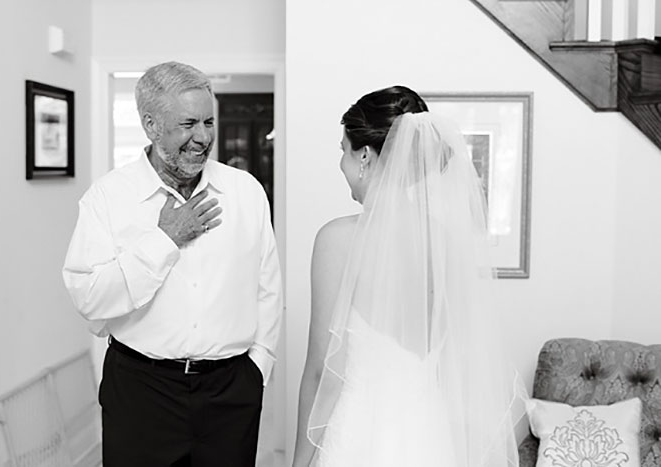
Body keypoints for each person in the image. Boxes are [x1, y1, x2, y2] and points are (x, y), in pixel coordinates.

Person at [63, 61, 283, 467]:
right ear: (150, 125)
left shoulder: (246, 192)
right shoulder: (109, 198)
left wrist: (258, 368)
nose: (203, 138)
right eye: (188, 124)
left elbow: (267, 287)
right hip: (141, 394)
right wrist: (163, 239)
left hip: (231, 393)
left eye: (209, 122)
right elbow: (90, 299)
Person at [292, 86, 525, 467]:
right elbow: (455, 362)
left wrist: (299, 463)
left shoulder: (337, 239)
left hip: (357, 438)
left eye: (343, 150)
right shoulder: (444, 241)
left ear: (364, 154)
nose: (341, 163)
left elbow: (322, 372)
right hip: (428, 437)